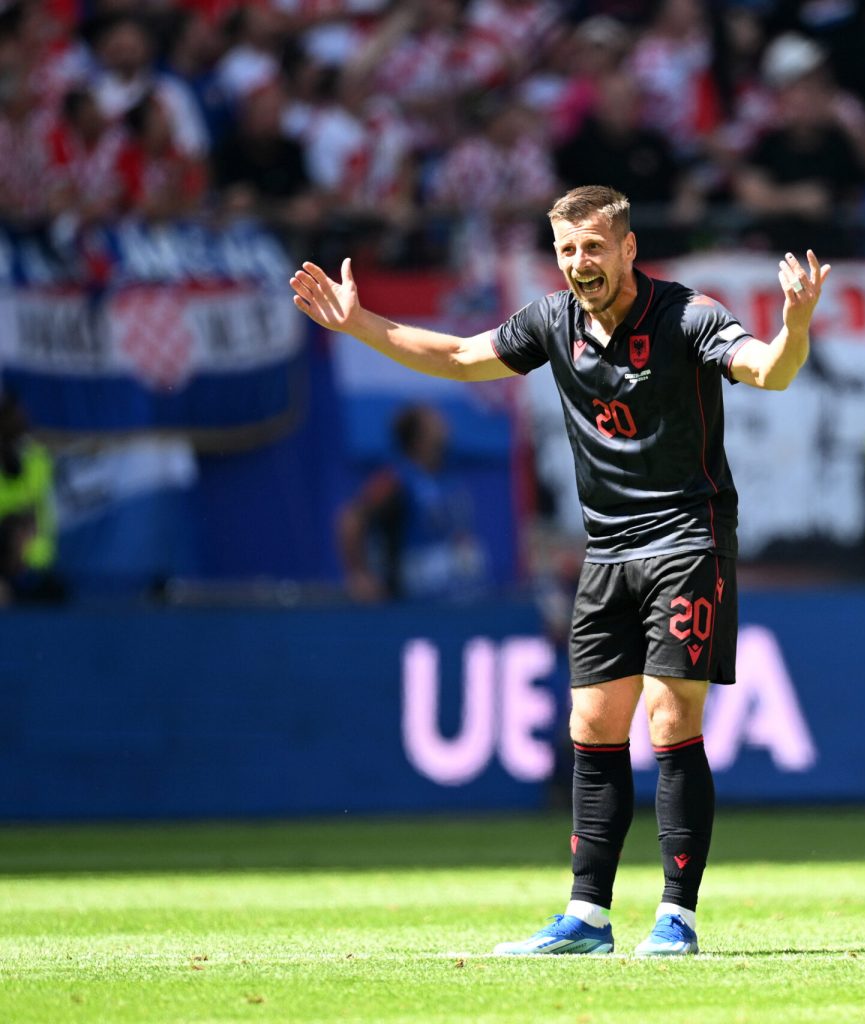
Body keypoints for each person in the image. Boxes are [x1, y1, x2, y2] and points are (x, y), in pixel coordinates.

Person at [289, 185, 828, 955]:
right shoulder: (551, 321)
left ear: (629, 249)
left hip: (687, 540)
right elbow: (460, 357)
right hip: (606, 550)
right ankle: (587, 917)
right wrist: (359, 323)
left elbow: (770, 370)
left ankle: (677, 917)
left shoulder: (688, 315)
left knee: (670, 716)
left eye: (594, 247)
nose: (581, 263)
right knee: (593, 726)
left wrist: (795, 325)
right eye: (568, 250)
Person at [335, 403, 488, 603]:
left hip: (458, 596)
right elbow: (351, 518)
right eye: (435, 421)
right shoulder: (395, 479)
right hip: (413, 600)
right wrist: (359, 575)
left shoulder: (448, 476)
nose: (445, 425)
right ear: (418, 438)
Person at [0, 393, 67, 606]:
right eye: (8, 416)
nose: (18, 421)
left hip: (35, 567)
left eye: (18, 415)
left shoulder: (37, 458)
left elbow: (38, 508)